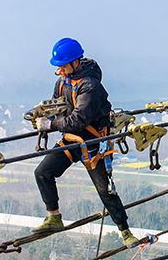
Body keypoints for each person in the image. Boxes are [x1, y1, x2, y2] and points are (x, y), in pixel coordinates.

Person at [32, 37, 139, 248]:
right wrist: (45, 115)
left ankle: (125, 231)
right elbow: (59, 108)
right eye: (58, 67)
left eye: (63, 66)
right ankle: (54, 217)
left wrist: (49, 126)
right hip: (72, 140)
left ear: (75, 63)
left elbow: (78, 119)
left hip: (93, 143)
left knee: (105, 189)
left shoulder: (90, 86)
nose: (60, 70)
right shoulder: (62, 82)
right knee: (42, 172)